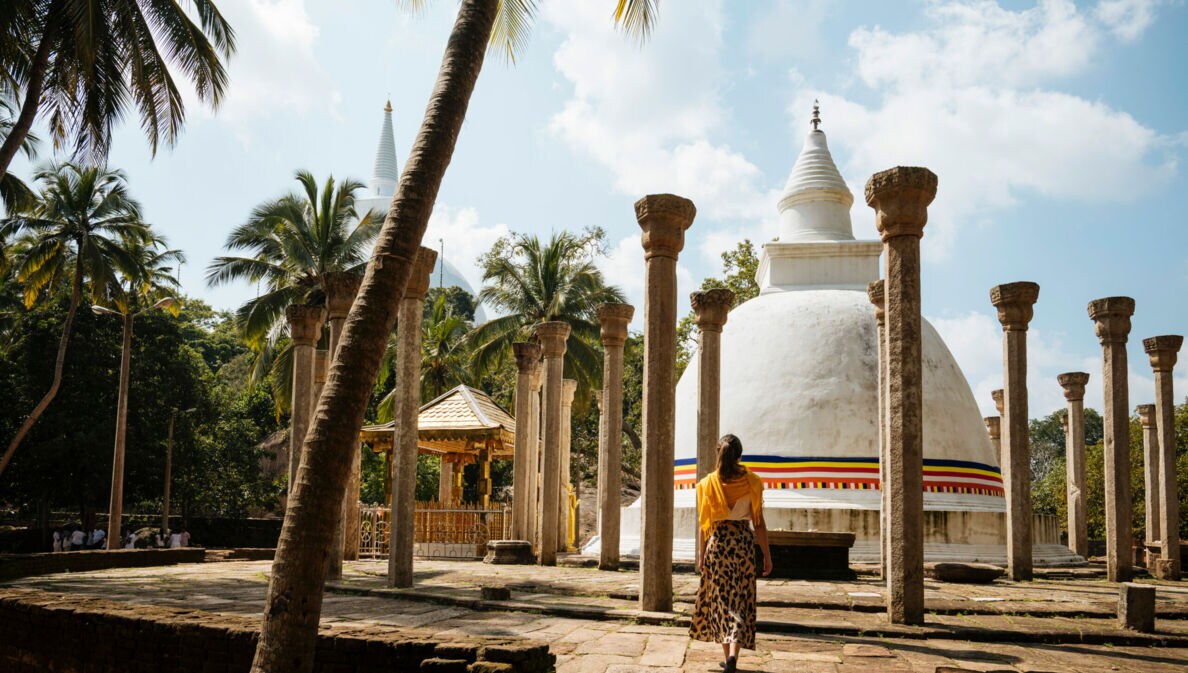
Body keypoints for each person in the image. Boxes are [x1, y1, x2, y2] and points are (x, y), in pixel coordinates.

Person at [689, 434, 772, 673]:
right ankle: (734, 655)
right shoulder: (753, 483)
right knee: (740, 600)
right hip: (743, 546)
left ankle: (729, 658)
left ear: (719, 454)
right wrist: (766, 555)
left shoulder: (707, 484)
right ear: (740, 456)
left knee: (722, 602)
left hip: (719, 545)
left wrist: (701, 555)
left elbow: (704, 525)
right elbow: (759, 524)